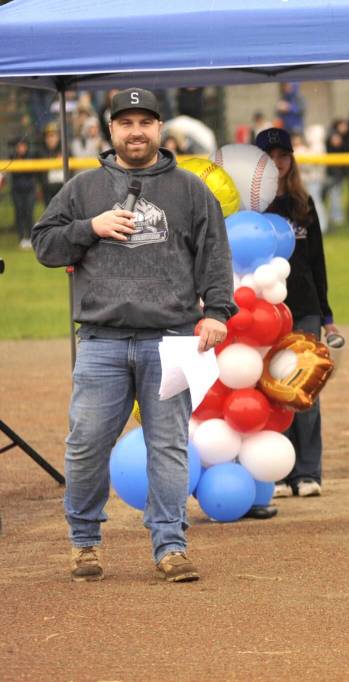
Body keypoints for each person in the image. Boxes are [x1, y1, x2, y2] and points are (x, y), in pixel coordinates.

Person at [31, 87, 236, 583]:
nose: (136, 131)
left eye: (146, 122)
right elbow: (44, 244)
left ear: (160, 129)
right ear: (111, 130)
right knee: (85, 445)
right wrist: (90, 227)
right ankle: (84, 542)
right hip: (101, 340)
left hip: (170, 337)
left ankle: (170, 547)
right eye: (126, 122)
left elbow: (215, 255)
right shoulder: (82, 189)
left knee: (168, 446)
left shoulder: (190, 190)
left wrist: (218, 312)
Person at [256, 127, 342, 502]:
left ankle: (308, 471)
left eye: (283, 156)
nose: (277, 163)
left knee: (303, 390)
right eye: (269, 157)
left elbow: (317, 264)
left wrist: (326, 315)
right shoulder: (249, 209)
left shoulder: (303, 205)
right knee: (268, 391)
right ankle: (277, 470)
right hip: (261, 312)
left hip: (304, 309)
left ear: (291, 160)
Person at [11, 138, 40, 249]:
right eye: (19, 146)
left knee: (29, 212)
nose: (21, 148)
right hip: (17, 191)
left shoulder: (32, 156)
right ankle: (22, 238)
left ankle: (31, 237)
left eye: (23, 146)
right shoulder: (12, 158)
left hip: (29, 190)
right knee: (19, 213)